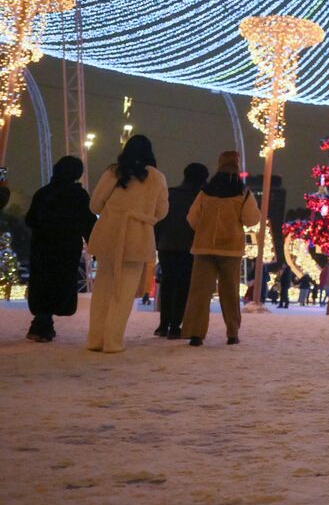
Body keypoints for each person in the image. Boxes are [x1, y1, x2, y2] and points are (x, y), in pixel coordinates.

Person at [85, 135, 168, 354]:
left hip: (109, 233)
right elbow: (161, 211)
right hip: (138, 236)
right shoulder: (157, 177)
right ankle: (113, 341)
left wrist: (113, 213)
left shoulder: (113, 172)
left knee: (103, 288)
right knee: (124, 292)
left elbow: (95, 205)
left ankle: (95, 338)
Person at [182, 151, 260, 346]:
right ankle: (232, 332)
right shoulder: (243, 193)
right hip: (231, 249)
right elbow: (252, 219)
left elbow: (192, 218)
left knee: (200, 291)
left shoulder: (205, 191)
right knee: (230, 291)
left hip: (203, 247)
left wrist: (205, 229)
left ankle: (196, 333)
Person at [24, 156, 96, 343]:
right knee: (60, 283)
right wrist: (94, 245)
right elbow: (89, 223)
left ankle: (41, 321)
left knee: (42, 282)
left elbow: (30, 220)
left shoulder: (43, 193)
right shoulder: (79, 196)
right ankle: (44, 323)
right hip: (67, 248)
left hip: (42, 247)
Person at [153, 162, 205, 339]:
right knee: (183, 286)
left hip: (166, 244)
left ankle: (163, 324)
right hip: (189, 247)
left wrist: (158, 240)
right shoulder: (200, 197)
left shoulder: (170, 193)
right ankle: (175, 325)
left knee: (167, 283)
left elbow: (158, 218)